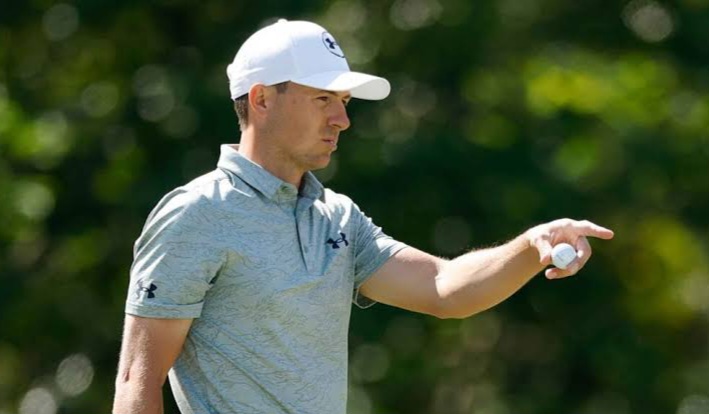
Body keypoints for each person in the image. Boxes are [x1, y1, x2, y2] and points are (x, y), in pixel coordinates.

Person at [112, 19, 614, 414]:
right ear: (262, 99)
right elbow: (138, 381)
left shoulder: (337, 218)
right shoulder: (197, 213)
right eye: (323, 99)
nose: (343, 119)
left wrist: (530, 245)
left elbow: (443, 288)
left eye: (345, 102)